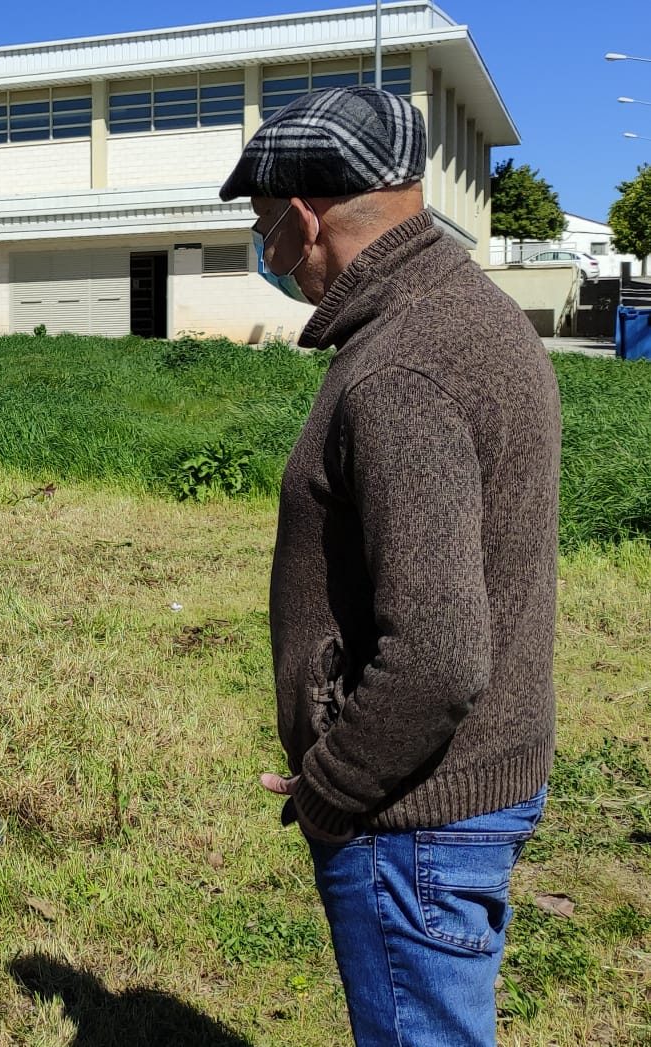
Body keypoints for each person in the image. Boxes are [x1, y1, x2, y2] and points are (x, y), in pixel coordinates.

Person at [218, 86, 561, 1047]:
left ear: (302, 216)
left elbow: (440, 654)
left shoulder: (402, 365)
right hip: (470, 788)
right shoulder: (474, 314)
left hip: (410, 814)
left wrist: (334, 786)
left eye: (260, 224)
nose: (263, 249)